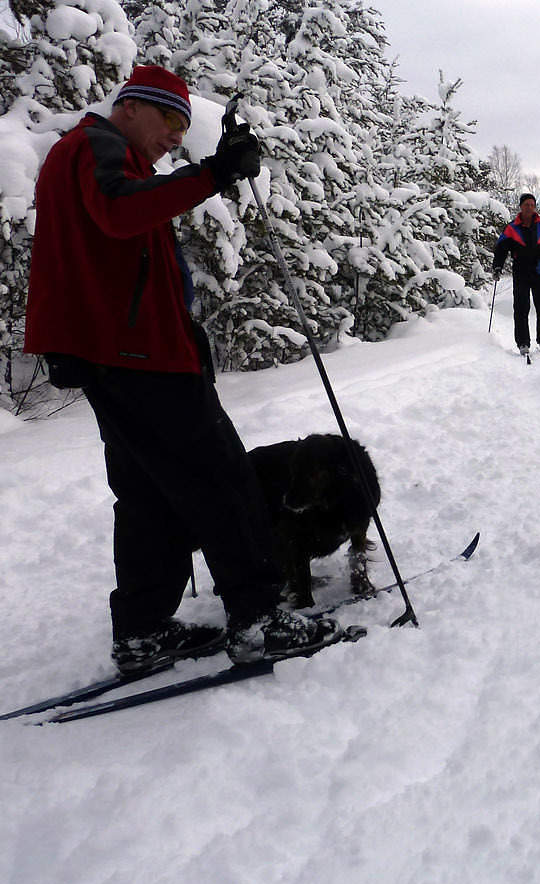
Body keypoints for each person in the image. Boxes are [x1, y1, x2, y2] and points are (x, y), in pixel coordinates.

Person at [24, 65, 341, 674]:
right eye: (169, 119)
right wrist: (215, 173)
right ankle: (258, 618)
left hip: (117, 356)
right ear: (131, 106)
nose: (175, 135)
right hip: (141, 356)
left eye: (183, 125)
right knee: (222, 479)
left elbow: (121, 248)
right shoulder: (96, 147)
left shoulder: (97, 156)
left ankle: (142, 630)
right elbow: (120, 213)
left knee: (148, 495)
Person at [493, 193, 540, 356]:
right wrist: (497, 267)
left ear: (534, 207)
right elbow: (501, 248)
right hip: (521, 272)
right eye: (526, 204)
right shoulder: (511, 228)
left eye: (531, 205)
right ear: (521, 207)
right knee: (521, 308)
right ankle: (523, 343)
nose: (529, 207)